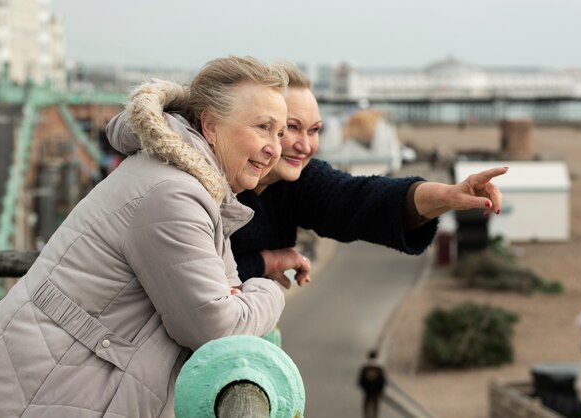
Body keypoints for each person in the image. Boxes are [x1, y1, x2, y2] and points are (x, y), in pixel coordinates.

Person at [0, 56, 288, 418]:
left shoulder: (188, 183)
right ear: (211, 126)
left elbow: (220, 298)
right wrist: (270, 290)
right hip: (46, 391)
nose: (275, 148)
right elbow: (216, 327)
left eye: (279, 133)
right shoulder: (174, 193)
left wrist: (236, 297)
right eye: (263, 127)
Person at [105, 63, 508, 289]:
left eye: (314, 130)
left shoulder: (290, 181)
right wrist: (265, 261)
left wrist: (448, 195)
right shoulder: (188, 180)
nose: (303, 145)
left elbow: (361, 200)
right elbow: (194, 286)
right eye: (287, 127)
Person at [358, 350, 386, 418]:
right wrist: (380, 389)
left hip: (367, 390)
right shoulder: (379, 368)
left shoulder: (365, 368)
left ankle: (366, 415)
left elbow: (361, 380)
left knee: (366, 403)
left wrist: (364, 387)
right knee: (376, 404)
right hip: (376, 391)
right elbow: (382, 380)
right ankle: (375, 415)